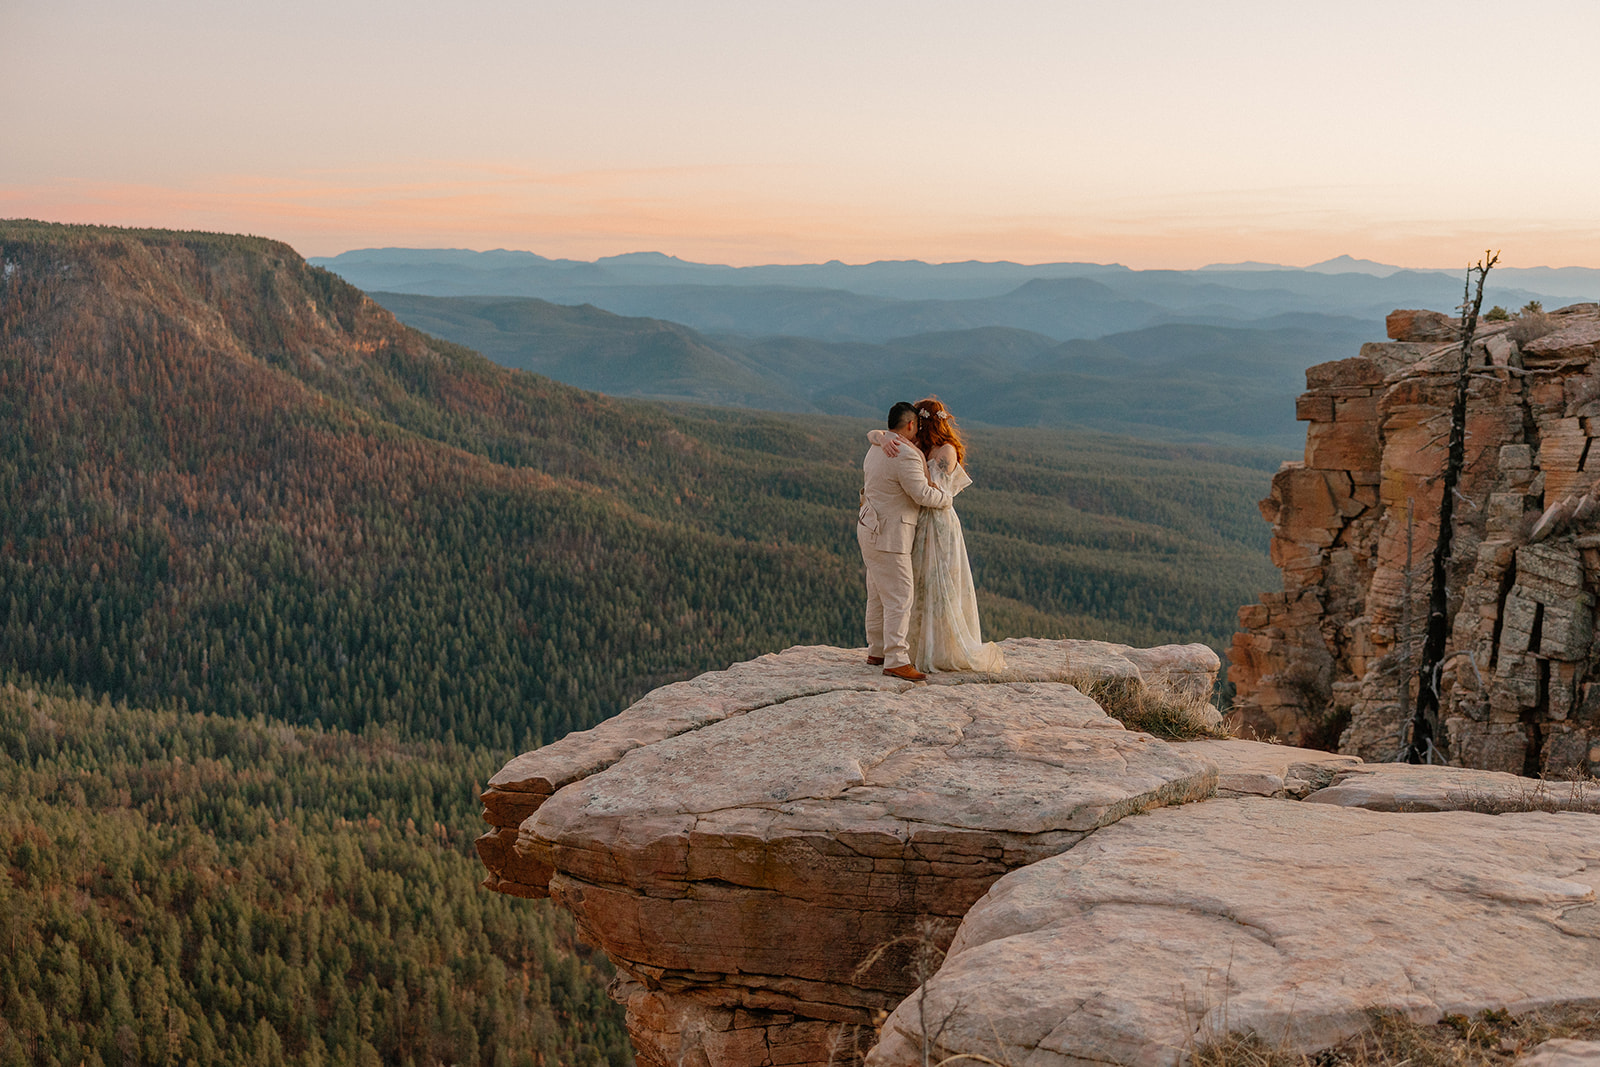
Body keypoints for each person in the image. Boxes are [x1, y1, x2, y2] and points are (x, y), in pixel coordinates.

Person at [868, 398, 1005, 674]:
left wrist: (911, 453)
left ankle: (934, 647)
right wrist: (879, 437)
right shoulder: (914, 447)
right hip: (918, 521)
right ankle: (907, 649)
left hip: (939, 521)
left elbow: (939, 491)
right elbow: (881, 435)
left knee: (938, 586)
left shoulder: (945, 450)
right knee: (913, 587)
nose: (917, 428)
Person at [858, 401, 954, 681]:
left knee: (876, 592)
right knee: (900, 596)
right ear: (911, 425)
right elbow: (922, 494)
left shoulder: (877, 446)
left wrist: (877, 435)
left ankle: (876, 650)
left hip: (868, 526)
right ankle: (897, 659)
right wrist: (946, 500)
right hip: (890, 534)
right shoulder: (905, 455)